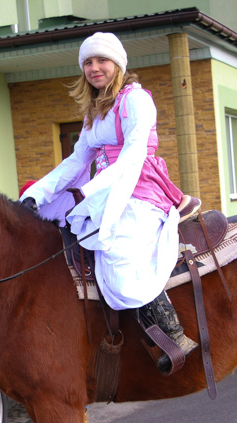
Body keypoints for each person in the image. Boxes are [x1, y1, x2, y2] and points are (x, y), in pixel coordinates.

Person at [21, 31, 198, 373]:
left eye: (101, 60)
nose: (94, 67)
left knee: (118, 251)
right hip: (106, 187)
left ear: (117, 64)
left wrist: (88, 193)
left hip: (139, 187)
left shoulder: (135, 100)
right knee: (47, 218)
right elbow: (75, 162)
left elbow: (132, 157)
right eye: (88, 62)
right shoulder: (94, 111)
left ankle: (173, 333)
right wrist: (36, 194)